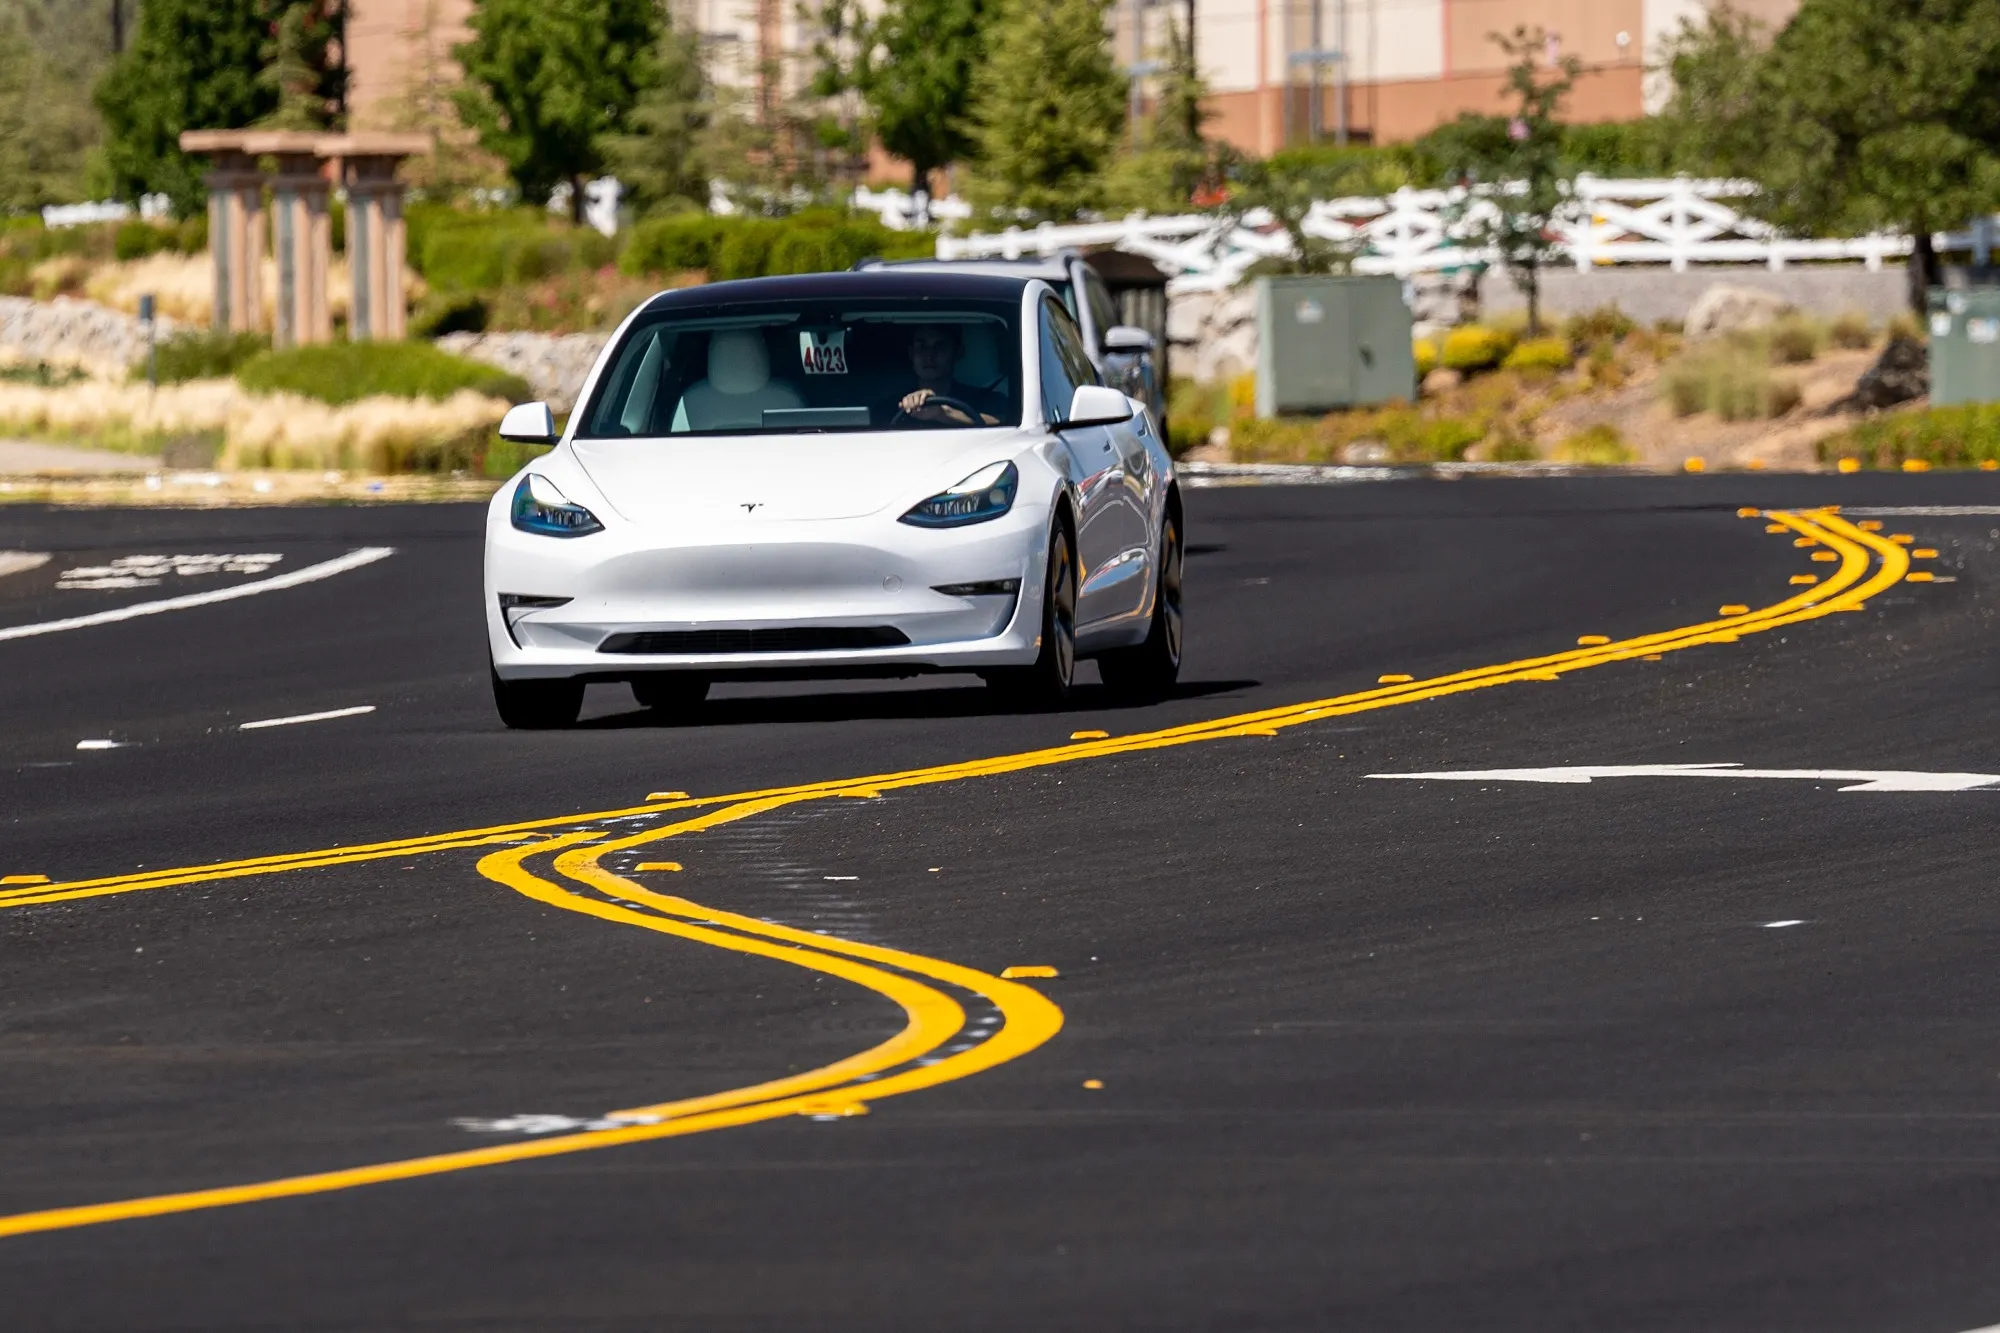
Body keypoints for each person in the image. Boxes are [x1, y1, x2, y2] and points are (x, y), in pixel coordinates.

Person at [888, 324, 1005, 426]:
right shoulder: (891, 406)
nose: (929, 355)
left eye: (939, 345)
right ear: (911, 353)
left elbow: (1005, 426)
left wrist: (944, 413)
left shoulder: (987, 399)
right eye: (922, 346)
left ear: (958, 352)